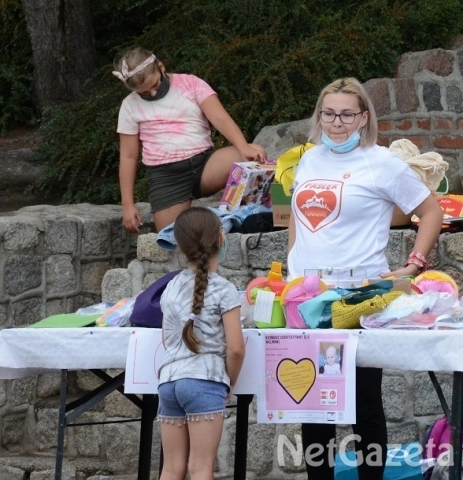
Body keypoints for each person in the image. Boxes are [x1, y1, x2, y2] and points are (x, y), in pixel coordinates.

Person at [287, 76, 443, 480]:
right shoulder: (309, 159)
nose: (336, 123)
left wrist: (413, 265)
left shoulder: (382, 162)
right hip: (306, 296)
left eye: (346, 114)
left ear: (363, 117)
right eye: (329, 113)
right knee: (314, 405)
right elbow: (296, 219)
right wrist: (292, 262)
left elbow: (431, 212)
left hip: (358, 295)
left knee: (362, 403)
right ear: (319, 116)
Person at [114, 47, 267, 233]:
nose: (153, 94)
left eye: (155, 86)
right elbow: (129, 157)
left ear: (161, 67)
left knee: (253, 156)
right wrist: (127, 205)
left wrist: (243, 147)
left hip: (204, 164)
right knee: (170, 235)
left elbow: (220, 119)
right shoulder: (129, 106)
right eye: (144, 93)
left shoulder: (191, 83)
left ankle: (245, 217)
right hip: (167, 177)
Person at [157, 207, 245, 480]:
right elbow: (236, 348)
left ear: (180, 246)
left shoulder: (170, 287)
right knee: (201, 468)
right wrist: (230, 381)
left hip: (169, 382)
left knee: (170, 469)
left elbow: (166, 338)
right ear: (221, 238)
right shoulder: (224, 289)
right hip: (204, 381)